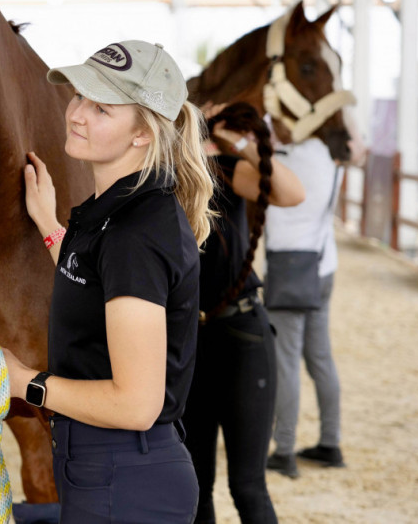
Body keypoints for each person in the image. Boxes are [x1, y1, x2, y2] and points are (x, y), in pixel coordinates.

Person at [0, 41, 214, 523]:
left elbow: (137, 404)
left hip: (127, 475)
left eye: (101, 108)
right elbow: (97, 284)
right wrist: (49, 225)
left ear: (143, 133)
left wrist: (22, 383)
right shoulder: (120, 212)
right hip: (107, 466)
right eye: (79, 96)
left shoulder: (136, 234)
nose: (76, 113)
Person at [182, 102, 305, 524]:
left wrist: (240, 144)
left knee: (247, 484)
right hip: (191, 341)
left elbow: (292, 193)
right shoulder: (167, 176)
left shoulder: (227, 169)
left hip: (242, 334)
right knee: (195, 486)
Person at [264, 137, 345, 478]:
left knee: (285, 362)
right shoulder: (331, 152)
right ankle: (330, 443)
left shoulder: (288, 157)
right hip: (324, 264)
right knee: (320, 357)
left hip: (289, 268)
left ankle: (284, 450)